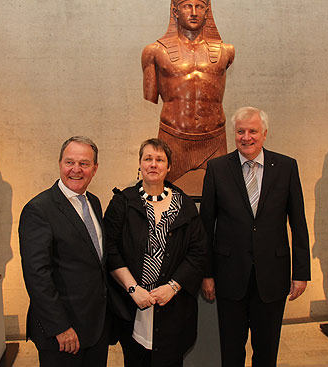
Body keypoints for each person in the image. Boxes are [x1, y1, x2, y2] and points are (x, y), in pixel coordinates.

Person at [200, 107, 311, 367]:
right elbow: (205, 226)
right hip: (229, 276)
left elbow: (298, 222)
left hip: (272, 275)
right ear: (234, 134)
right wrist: (207, 274)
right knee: (231, 350)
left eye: (252, 131)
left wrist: (301, 273)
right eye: (240, 131)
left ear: (264, 134)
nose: (246, 137)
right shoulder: (217, 169)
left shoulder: (286, 167)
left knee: (267, 350)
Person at [104, 138, 207, 366]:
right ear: (139, 164)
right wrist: (133, 289)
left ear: (169, 167)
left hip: (172, 307)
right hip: (133, 305)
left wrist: (173, 287)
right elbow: (109, 248)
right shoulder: (122, 203)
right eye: (148, 158)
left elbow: (198, 252)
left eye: (160, 159)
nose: (153, 164)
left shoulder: (184, 204)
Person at [19, 136, 111, 367]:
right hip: (63, 333)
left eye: (84, 163)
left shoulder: (94, 203)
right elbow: (37, 275)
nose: (76, 170)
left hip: (96, 328)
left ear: (95, 168)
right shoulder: (39, 210)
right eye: (69, 162)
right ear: (60, 164)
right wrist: (60, 327)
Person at [142, 0, 235, 193]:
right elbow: (150, 96)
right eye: (187, 6)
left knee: (223, 197)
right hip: (173, 136)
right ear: (175, 11)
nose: (193, 12)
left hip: (214, 137)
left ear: (207, 11)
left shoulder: (226, 51)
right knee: (161, 195)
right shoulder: (155, 52)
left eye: (199, 6)